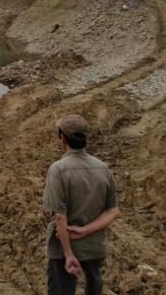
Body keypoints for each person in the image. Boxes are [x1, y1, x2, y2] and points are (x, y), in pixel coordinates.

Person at [43, 114, 120, 295]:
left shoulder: (58, 169)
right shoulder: (103, 168)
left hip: (64, 249)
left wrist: (69, 254)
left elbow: (60, 217)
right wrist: (85, 231)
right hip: (94, 247)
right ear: (86, 138)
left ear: (62, 137)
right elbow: (113, 211)